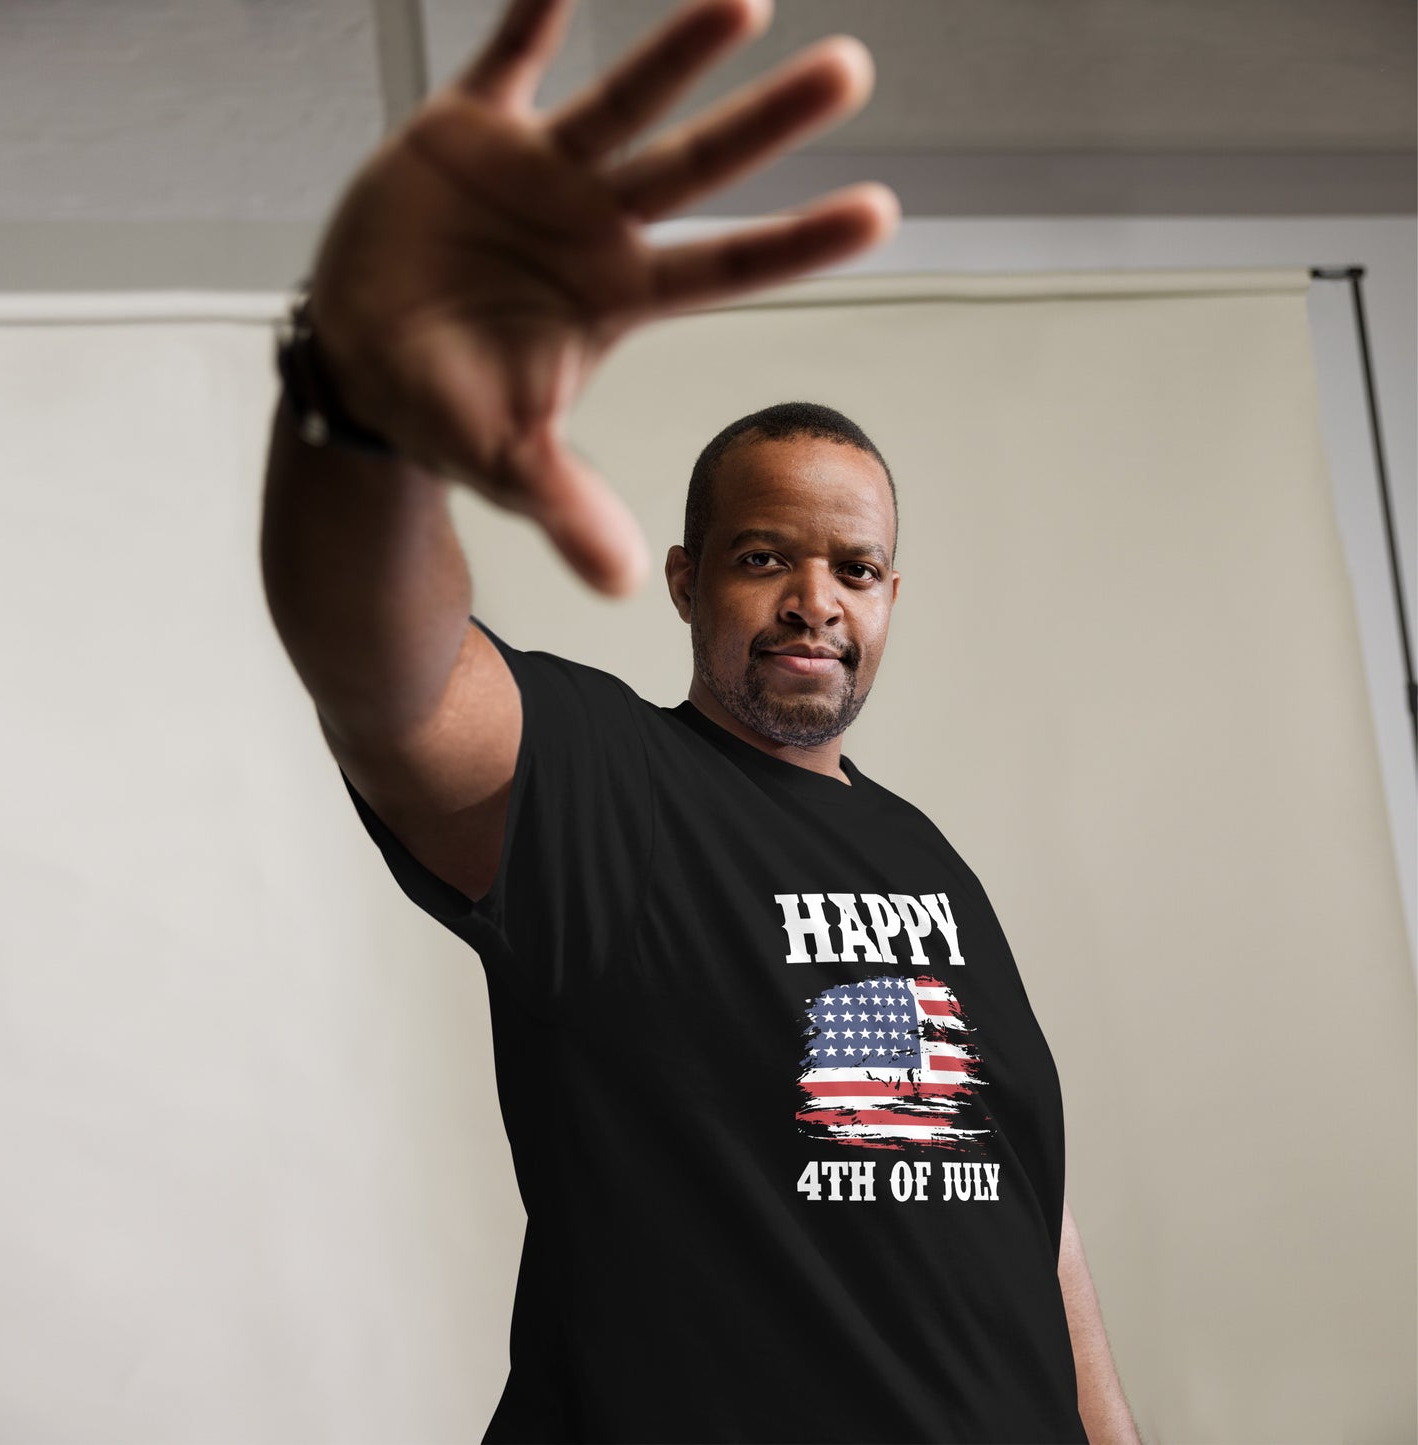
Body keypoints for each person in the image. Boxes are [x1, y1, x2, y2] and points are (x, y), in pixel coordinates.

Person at [259, 0, 1141, 1440]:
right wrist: (364, 409)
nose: (813, 599)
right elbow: (391, 685)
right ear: (685, 579)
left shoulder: (928, 859)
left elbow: (1029, 1217)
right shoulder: (617, 786)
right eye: (761, 556)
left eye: (852, 568)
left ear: (891, 595)